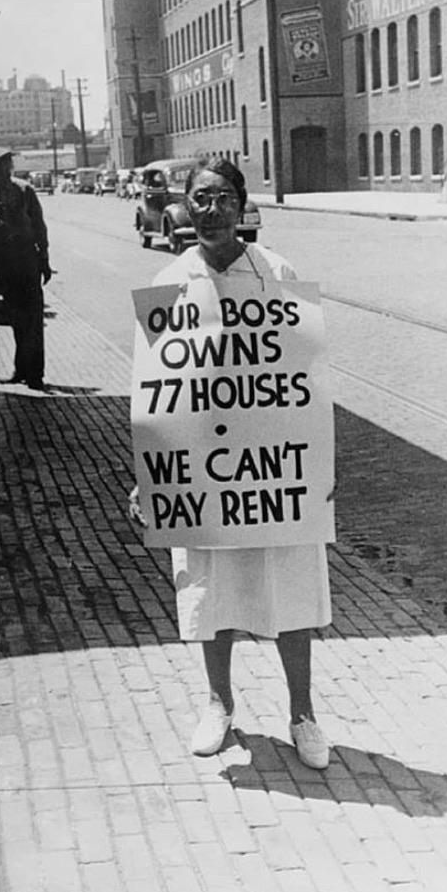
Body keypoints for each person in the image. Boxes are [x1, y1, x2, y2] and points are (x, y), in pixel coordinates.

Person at [129, 158, 332, 769]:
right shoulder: (170, 283)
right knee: (209, 590)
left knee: (290, 588)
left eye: (222, 198)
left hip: (274, 473)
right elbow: (156, 393)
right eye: (200, 198)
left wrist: (320, 459)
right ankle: (218, 703)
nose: (211, 209)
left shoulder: (276, 273)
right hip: (204, 475)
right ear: (186, 206)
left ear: (241, 206)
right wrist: (149, 475)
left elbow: (306, 376)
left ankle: (303, 715)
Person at [0, 146, 53, 390]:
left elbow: (39, 226)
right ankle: (21, 369)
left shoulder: (24, 190)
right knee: (16, 318)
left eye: (9, 164)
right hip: (4, 262)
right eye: (3, 166)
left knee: (33, 318)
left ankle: (35, 374)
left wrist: (44, 260)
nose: (8, 169)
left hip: (26, 259)